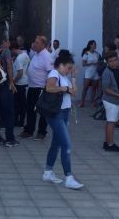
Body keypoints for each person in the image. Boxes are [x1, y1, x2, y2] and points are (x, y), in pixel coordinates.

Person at [41, 52, 84, 190]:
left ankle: (48, 172)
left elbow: (74, 92)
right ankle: (69, 177)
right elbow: (49, 87)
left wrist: (73, 78)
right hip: (56, 114)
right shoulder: (54, 73)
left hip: (64, 113)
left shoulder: (64, 76)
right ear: (61, 65)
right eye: (68, 67)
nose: (69, 70)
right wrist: (64, 88)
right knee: (66, 144)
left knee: (57, 143)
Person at [22, 35, 53, 140]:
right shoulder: (36, 54)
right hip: (32, 86)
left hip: (41, 88)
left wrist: (47, 86)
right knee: (30, 109)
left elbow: (51, 72)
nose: (34, 44)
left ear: (43, 45)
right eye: (34, 42)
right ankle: (29, 130)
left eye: (37, 42)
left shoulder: (47, 56)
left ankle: (41, 132)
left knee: (42, 111)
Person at [0, 37, 19, 147]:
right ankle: (10, 139)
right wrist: (11, 82)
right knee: (9, 112)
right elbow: (9, 66)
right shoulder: (6, 51)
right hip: (4, 85)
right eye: (7, 41)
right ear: (3, 42)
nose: (9, 43)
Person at [101, 51, 119, 152]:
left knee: (111, 122)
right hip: (111, 101)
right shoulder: (107, 72)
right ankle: (110, 144)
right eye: (110, 61)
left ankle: (107, 143)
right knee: (111, 122)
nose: (113, 63)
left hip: (116, 100)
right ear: (107, 62)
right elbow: (105, 89)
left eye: (115, 60)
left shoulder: (116, 70)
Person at [12, 41, 30, 127]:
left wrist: (13, 82)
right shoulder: (25, 55)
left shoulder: (19, 58)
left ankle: (17, 121)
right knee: (22, 104)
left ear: (13, 49)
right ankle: (21, 121)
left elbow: (20, 73)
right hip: (25, 82)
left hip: (19, 83)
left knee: (17, 104)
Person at [79, 40, 100, 108]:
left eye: (95, 44)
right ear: (90, 45)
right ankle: (82, 102)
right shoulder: (86, 54)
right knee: (85, 87)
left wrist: (98, 64)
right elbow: (83, 64)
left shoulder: (97, 53)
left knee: (94, 88)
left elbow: (99, 62)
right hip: (89, 72)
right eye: (94, 44)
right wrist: (92, 63)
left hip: (95, 72)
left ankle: (92, 102)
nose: (95, 46)